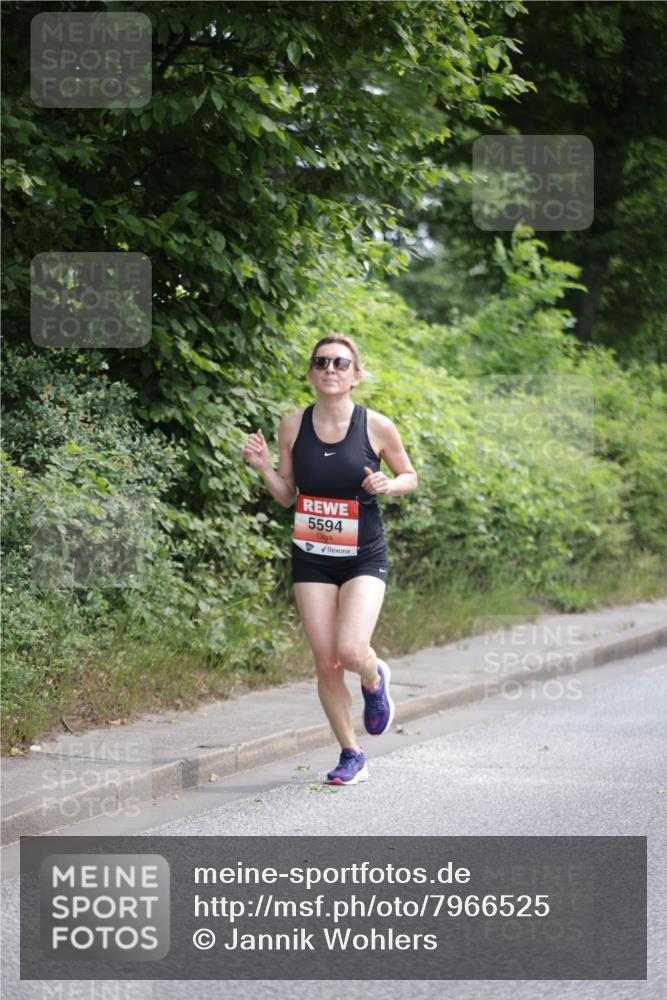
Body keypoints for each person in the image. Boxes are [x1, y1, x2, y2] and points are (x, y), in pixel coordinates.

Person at [241, 334, 418, 785]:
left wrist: (387, 485)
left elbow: (409, 476)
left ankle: (374, 676)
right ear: (310, 373)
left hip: (363, 554)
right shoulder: (291, 426)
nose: (330, 369)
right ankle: (350, 752)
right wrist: (263, 467)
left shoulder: (377, 426)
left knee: (349, 651)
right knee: (325, 661)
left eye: (341, 363)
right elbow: (286, 496)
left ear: (356, 375)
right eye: (321, 362)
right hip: (313, 556)